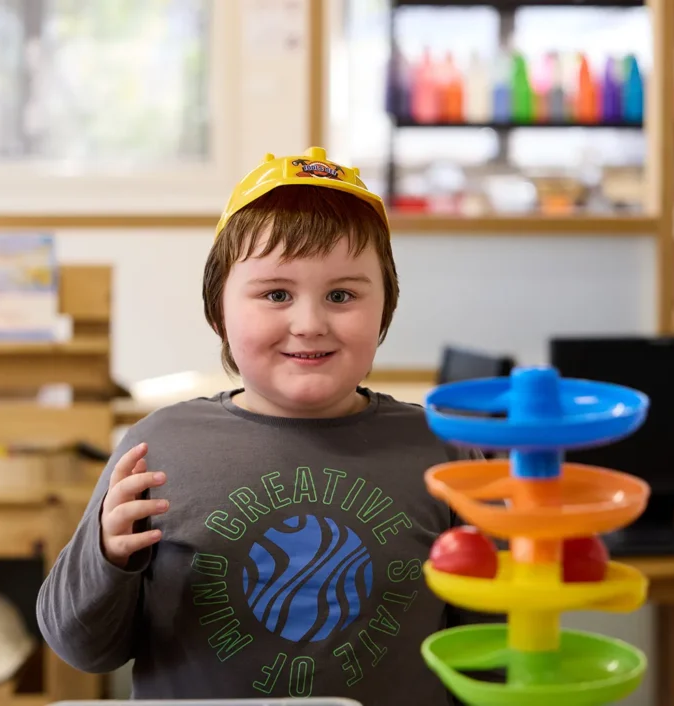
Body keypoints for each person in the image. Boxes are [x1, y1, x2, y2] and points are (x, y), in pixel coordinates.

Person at [37, 147, 485, 704]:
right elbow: (82, 648)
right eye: (276, 294)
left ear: (385, 309)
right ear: (218, 310)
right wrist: (107, 555)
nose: (309, 323)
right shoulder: (158, 449)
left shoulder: (444, 453)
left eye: (341, 295)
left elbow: (488, 655)